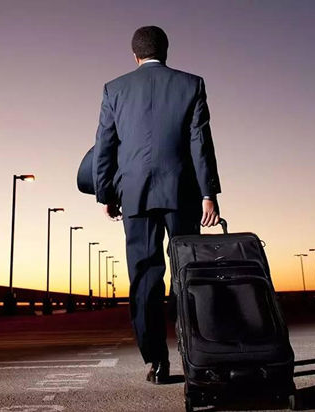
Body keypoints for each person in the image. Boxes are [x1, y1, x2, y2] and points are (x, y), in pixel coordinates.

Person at [92, 26, 221, 384]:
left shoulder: (114, 89)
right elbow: (200, 142)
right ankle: (196, 355)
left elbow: (105, 144)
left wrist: (106, 193)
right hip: (182, 193)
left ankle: (157, 362)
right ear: (166, 51)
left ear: (134, 55)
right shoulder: (191, 84)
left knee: (144, 277)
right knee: (186, 273)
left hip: (135, 195)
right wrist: (208, 194)